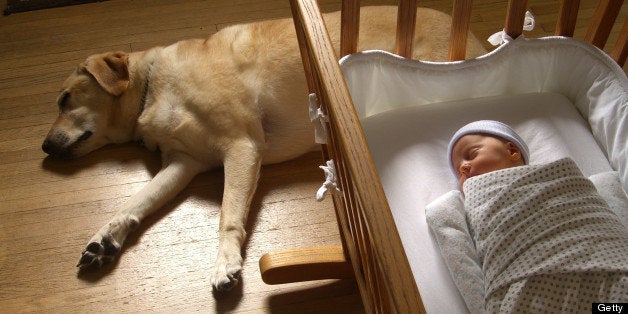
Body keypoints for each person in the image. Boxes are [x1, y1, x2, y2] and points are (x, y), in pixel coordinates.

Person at [447, 120, 530, 189]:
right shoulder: (462, 201)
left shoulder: (538, 176)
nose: (462, 168)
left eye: (472, 154)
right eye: (459, 174)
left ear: (512, 151)